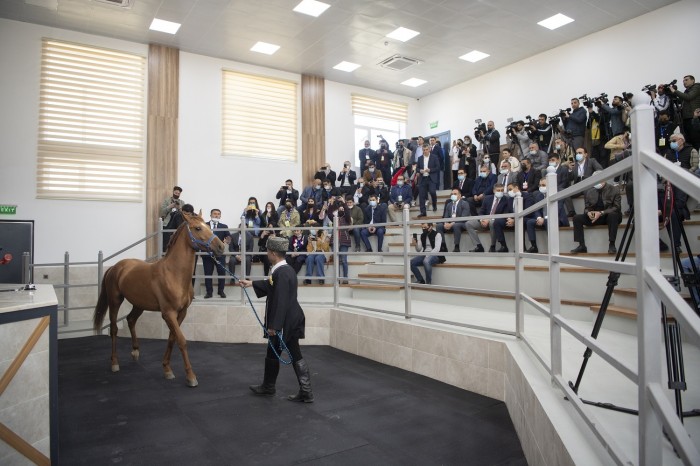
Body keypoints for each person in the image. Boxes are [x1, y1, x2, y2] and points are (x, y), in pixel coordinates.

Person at [239, 236, 313, 403]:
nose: (266, 254)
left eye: (267, 252)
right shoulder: (282, 270)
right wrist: (252, 284)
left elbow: (280, 301)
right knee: (272, 352)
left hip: (287, 322)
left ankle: (306, 392)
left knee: (295, 354)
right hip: (286, 320)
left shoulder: (283, 272)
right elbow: (272, 285)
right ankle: (268, 386)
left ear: (273, 253)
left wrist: (274, 326)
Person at [570, 174, 622, 255]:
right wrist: (588, 213)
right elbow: (587, 207)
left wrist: (601, 213)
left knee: (613, 215)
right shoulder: (590, 191)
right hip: (595, 217)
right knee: (576, 218)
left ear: (604, 179)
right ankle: (582, 245)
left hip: (608, 215)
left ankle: (612, 244)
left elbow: (617, 207)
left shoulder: (614, 189)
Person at [524, 178, 569, 253]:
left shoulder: (557, 194)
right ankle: (534, 246)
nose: (541, 187)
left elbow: (557, 209)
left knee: (547, 222)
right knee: (529, 222)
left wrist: (544, 219)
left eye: (543, 185)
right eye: (540, 185)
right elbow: (536, 209)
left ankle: (552, 247)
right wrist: (539, 217)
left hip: (556, 219)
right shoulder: (539, 196)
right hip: (543, 219)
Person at [465, 183, 513, 252]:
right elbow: (481, 211)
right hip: (484, 221)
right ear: (494, 191)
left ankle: (492, 246)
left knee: (492, 222)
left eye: (502, 190)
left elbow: (504, 214)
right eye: (498, 190)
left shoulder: (506, 199)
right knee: (468, 224)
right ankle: (479, 246)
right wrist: (482, 220)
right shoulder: (487, 198)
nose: (500, 192)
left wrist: (489, 219)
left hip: (494, 222)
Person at [203, 209, 232, 298]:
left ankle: (221, 291)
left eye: (218, 214)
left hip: (219, 254)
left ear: (220, 216)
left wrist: (228, 240)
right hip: (207, 253)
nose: (216, 215)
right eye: (215, 214)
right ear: (210, 215)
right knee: (208, 273)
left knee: (221, 272)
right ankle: (209, 292)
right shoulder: (204, 225)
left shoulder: (224, 226)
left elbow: (229, 237)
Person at [670, 75, 700, 150]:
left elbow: (688, 97)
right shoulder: (687, 90)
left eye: (686, 80)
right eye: (683, 81)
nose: (684, 82)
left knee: (695, 140)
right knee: (688, 140)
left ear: (693, 80)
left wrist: (675, 91)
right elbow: (681, 101)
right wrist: (672, 94)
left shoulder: (697, 87)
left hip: (694, 118)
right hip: (686, 118)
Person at [417, 143, 440, 217]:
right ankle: (423, 212)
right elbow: (417, 168)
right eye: (424, 150)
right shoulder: (420, 158)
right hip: (422, 178)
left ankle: (434, 204)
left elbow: (437, 167)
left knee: (432, 192)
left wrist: (430, 170)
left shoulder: (434, 157)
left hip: (431, 178)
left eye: (427, 149)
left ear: (429, 149)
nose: (425, 151)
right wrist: (420, 170)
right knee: (421, 195)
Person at [160, 185, 186, 251]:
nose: (177, 194)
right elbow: (162, 212)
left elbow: (185, 214)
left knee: (178, 242)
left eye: (178, 193)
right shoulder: (167, 200)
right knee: (166, 242)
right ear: (173, 192)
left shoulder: (182, 202)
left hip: (178, 225)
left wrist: (179, 208)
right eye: (175, 193)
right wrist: (170, 206)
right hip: (167, 223)